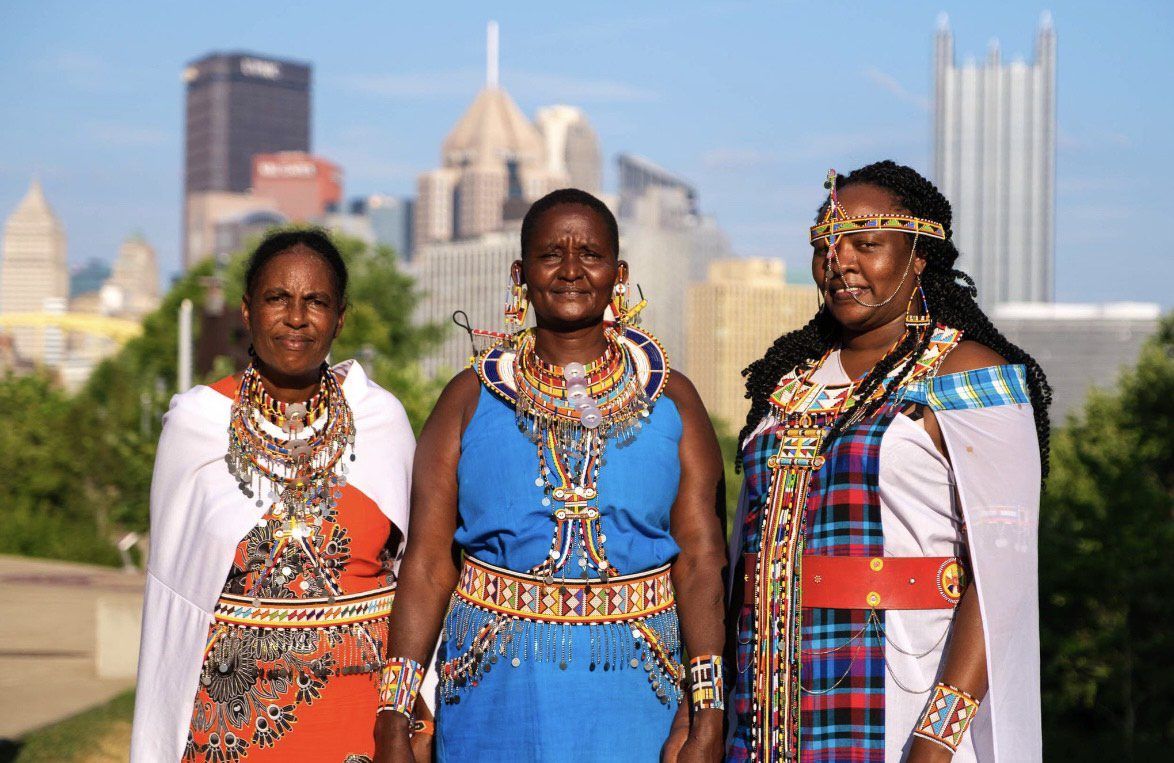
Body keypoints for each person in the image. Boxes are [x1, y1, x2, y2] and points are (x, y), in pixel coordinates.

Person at [373, 189, 728, 762]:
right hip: (494, 697)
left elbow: (703, 561)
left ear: (619, 273)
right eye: (549, 255)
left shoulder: (673, 398)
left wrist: (706, 711)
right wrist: (395, 710)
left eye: (589, 253)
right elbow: (429, 564)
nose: (569, 270)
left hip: (637, 702)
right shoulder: (468, 398)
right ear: (521, 273)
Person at [727, 162, 1050, 762]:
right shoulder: (787, 384)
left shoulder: (969, 373)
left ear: (918, 257)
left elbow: (1002, 571)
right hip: (764, 716)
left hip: (903, 709)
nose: (839, 261)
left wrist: (937, 736)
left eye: (866, 244)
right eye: (826, 246)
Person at [131, 229, 418, 762]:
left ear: (340, 318)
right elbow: (173, 592)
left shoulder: (383, 422)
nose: (296, 317)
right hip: (230, 722)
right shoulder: (197, 424)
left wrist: (407, 719)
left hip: (358, 719)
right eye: (277, 299)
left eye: (316, 302)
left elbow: (415, 576)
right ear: (247, 310)